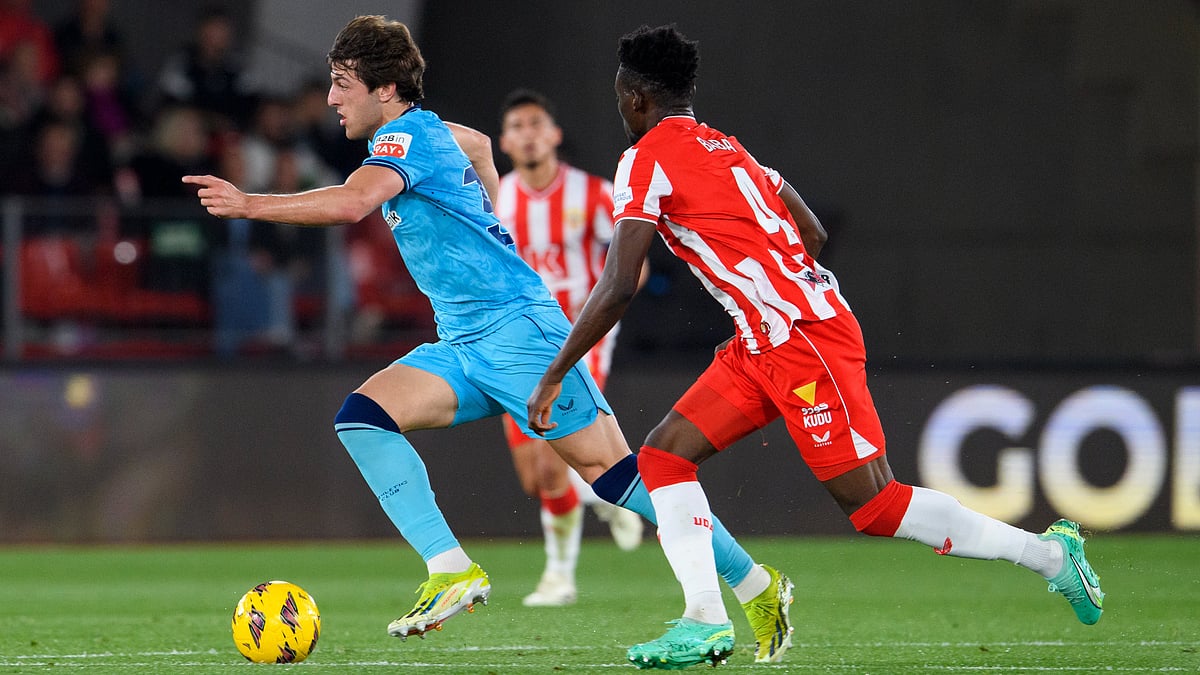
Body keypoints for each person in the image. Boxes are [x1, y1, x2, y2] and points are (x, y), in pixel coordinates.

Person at [183, 17, 795, 664]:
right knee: (363, 416)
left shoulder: (403, 139)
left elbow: (352, 205)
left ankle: (758, 586)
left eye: (342, 84)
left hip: (519, 333)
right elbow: (477, 144)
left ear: (386, 88)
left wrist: (250, 204)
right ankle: (450, 565)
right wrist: (495, 217)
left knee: (619, 479)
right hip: (465, 341)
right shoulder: (428, 130)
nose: (332, 98)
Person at [528, 24, 1105, 671]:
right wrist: (765, 296)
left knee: (875, 505)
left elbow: (616, 285)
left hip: (805, 342)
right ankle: (704, 619)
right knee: (662, 459)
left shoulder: (645, 158)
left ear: (635, 97)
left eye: (619, 97)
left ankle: (1052, 556)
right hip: (768, 337)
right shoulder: (729, 149)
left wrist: (556, 373)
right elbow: (812, 230)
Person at [495, 88, 645, 607]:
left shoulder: (594, 193)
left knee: (556, 455)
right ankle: (609, 496)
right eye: (518, 125)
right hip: (517, 341)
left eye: (537, 123)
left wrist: (610, 308)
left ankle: (559, 577)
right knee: (535, 476)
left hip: (582, 338)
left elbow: (635, 256)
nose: (529, 133)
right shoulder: (498, 200)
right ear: (504, 141)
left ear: (555, 134)